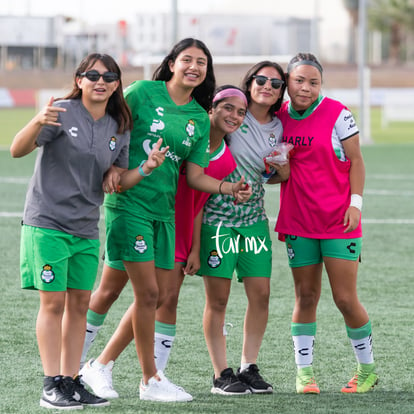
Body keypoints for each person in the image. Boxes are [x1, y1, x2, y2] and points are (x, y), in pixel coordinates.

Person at [79, 38, 251, 403]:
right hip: (130, 202)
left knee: (127, 291)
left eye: (201, 62)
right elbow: (112, 123)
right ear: (171, 63)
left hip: (165, 213)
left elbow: (194, 176)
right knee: (151, 294)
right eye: (187, 59)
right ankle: (144, 378)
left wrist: (227, 188)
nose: (194, 66)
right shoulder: (143, 92)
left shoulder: (197, 117)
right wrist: (111, 164)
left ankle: (93, 367)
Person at [10, 53, 168, 410]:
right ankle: (51, 384)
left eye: (109, 75)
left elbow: (117, 181)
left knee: (80, 304)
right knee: (53, 304)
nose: (101, 80)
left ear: (117, 84)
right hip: (47, 222)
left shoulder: (119, 124)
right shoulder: (61, 111)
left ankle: (70, 380)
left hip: (85, 226)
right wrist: (36, 121)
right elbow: (18, 150)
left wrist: (144, 168)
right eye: (92, 74)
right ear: (79, 79)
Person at [275, 52, 378, 394]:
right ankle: (305, 375)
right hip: (298, 222)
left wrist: (356, 205)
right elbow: (276, 172)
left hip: (338, 222)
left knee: (345, 298)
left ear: (321, 85)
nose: (305, 88)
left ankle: (367, 371)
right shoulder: (278, 117)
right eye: (299, 81)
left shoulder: (338, 113)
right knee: (305, 296)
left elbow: (357, 161)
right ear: (287, 82)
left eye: (313, 82)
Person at [197, 61, 290, 396]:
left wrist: (282, 170)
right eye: (261, 79)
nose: (267, 86)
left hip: (254, 222)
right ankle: (221, 373)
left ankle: (248, 366)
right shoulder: (232, 113)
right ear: (249, 82)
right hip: (216, 222)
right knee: (218, 299)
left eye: (276, 83)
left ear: (281, 91)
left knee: (261, 295)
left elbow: (275, 175)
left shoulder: (280, 127)